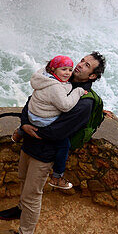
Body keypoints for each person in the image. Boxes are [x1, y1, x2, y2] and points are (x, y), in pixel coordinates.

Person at [0, 51, 106, 234]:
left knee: (32, 194)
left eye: (87, 66)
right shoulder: (60, 79)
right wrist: (25, 123)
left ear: (92, 76)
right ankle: (21, 209)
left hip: (45, 152)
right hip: (30, 141)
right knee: (22, 178)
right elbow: (33, 100)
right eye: (82, 60)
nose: (80, 65)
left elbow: (59, 131)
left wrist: (28, 129)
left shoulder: (85, 101)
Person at [24, 54, 86, 190]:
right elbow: (65, 105)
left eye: (70, 70)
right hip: (43, 121)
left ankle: (19, 131)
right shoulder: (55, 87)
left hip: (32, 115)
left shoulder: (42, 76)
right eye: (63, 69)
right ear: (53, 70)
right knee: (64, 145)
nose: (68, 73)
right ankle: (57, 177)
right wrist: (78, 91)